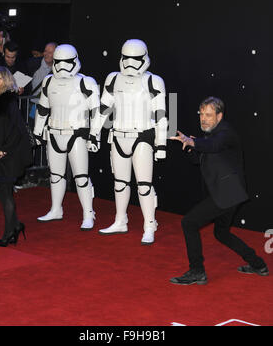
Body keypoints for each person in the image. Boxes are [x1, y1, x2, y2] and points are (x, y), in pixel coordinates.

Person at [169, 96, 269, 285]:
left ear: (219, 116)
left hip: (227, 194)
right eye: (201, 115)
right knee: (221, 233)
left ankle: (197, 271)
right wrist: (190, 148)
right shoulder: (210, 135)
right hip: (229, 194)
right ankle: (258, 264)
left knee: (189, 223)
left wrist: (192, 142)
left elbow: (214, 145)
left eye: (208, 115)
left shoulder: (226, 133)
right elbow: (198, 159)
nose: (203, 119)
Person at [90, 39, 168, 245]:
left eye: (136, 59)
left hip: (142, 136)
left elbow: (161, 114)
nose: (131, 63)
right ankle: (120, 219)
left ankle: (149, 224)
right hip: (118, 135)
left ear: (144, 59)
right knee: (120, 183)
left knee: (144, 185)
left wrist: (161, 144)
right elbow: (103, 108)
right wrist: (94, 133)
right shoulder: (114, 79)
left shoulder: (153, 81)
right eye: (127, 58)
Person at [33, 44, 100, 230]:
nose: (62, 66)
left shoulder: (85, 82)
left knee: (81, 177)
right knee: (55, 175)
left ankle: (88, 213)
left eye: (66, 62)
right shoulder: (48, 81)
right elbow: (43, 108)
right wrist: (38, 132)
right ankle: (56, 209)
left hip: (76, 133)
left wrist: (94, 136)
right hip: (54, 132)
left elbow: (97, 111)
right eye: (58, 62)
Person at [0, 66, 32, 247]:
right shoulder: (2, 100)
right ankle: (16, 225)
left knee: (4, 191)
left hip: (8, 155)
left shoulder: (7, 102)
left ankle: (10, 232)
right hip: (3, 154)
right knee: (0, 189)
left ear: (1, 81)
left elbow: (17, 130)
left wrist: (4, 149)